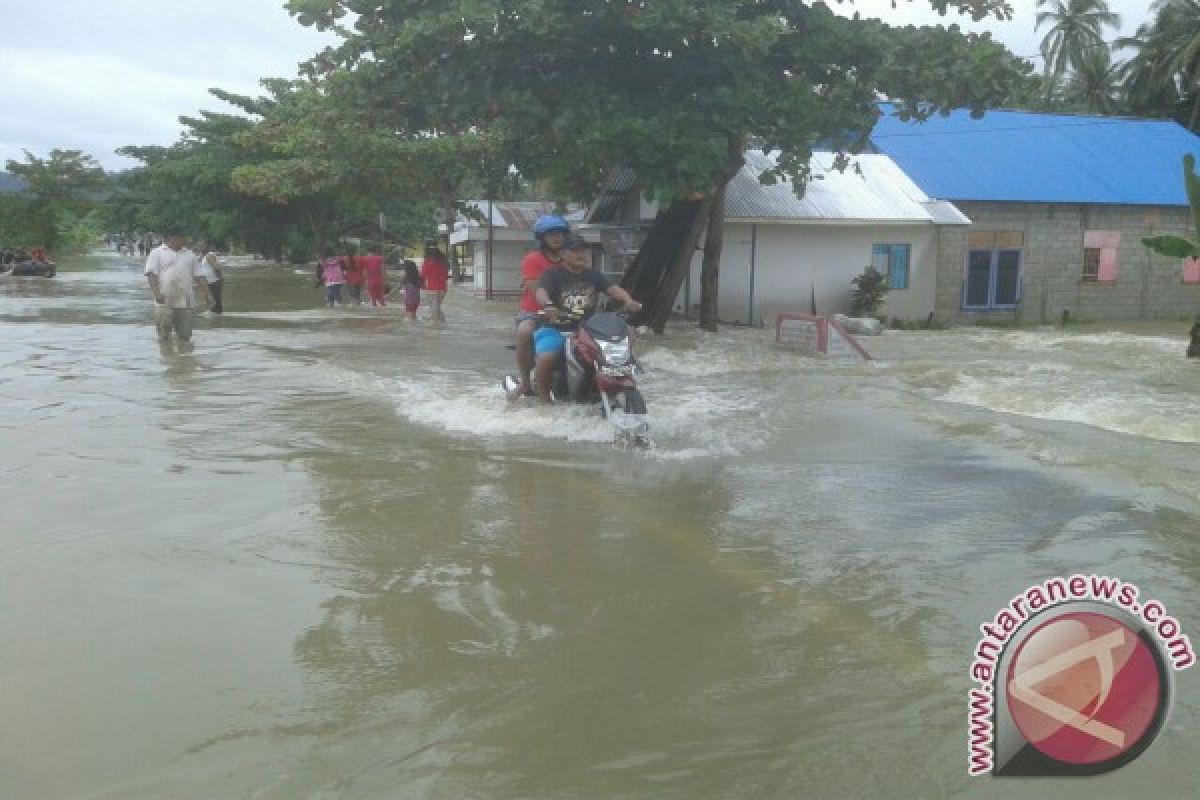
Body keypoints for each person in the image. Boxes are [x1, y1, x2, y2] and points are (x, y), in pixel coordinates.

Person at [531, 233, 642, 403]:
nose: (581, 255)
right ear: (562, 254)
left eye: (584, 250)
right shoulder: (552, 275)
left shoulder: (594, 275)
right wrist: (548, 305)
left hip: (587, 331)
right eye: (575, 250)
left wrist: (628, 300)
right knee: (547, 357)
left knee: (614, 351)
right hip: (556, 329)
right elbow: (541, 291)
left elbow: (612, 288)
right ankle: (544, 400)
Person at [508, 214, 571, 401]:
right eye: (550, 234)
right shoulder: (532, 259)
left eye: (559, 233)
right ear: (542, 237)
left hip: (572, 310)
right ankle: (525, 382)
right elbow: (537, 289)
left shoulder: (572, 257)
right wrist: (551, 306)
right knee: (524, 331)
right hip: (536, 312)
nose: (556, 237)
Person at [144, 231, 210, 345]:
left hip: (186, 301)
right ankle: (167, 360)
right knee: (164, 336)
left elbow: (199, 276)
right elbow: (151, 275)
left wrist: (208, 294)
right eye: (182, 238)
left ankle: (183, 359)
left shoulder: (190, 254)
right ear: (172, 238)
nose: (185, 241)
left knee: (185, 336)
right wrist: (157, 294)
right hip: (164, 300)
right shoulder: (157, 253)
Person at [420, 245, 450, 322]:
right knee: (437, 307)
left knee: (434, 307)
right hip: (443, 289)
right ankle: (441, 321)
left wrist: (423, 286)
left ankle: (435, 324)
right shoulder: (444, 263)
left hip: (432, 289)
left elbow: (422, 277)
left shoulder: (427, 263)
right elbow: (446, 277)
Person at [194, 241, 225, 314]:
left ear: (207, 246)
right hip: (208, 283)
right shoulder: (203, 257)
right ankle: (215, 317)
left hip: (214, 282)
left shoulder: (209, 255)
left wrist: (220, 279)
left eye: (202, 245)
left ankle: (217, 319)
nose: (200, 247)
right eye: (199, 245)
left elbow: (216, 267)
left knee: (215, 303)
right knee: (210, 301)